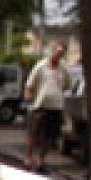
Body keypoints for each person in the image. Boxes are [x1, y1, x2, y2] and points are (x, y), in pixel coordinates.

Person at [24, 42, 70, 170]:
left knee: (49, 136)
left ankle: (41, 161)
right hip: (40, 106)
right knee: (33, 133)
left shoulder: (63, 69)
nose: (58, 55)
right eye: (57, 52)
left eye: (61, 54)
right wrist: (28, 98)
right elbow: (29, 85)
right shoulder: (40, 66)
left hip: (56, 107)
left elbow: (67, 85)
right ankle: (28, 158)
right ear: (52, 51)